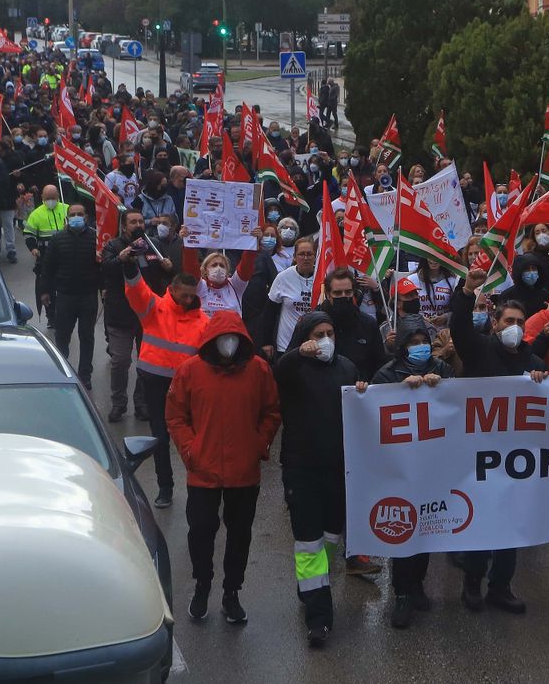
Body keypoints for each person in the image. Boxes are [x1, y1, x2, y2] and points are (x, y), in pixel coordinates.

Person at [165, 310, 281, 626]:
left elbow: (271, 412)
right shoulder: (189, 372)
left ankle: (232, 592)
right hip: (203, 472)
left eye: (233, 339)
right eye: (222, 339)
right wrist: (191, 450)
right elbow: (176, 416)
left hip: (244, 472)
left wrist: (259, 445)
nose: (228, 345)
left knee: (239, 534)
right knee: (201, 531)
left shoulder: (258, 370)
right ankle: (203, 584)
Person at [450, 268, 547, 611]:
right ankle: (472, 582)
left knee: (510, 526)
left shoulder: (532, 361)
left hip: (516, 457)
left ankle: (501, 586)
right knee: (482, 521)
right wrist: (465, 293)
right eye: (508, 320)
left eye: (520, 321)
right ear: (495, 324)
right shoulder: (480, 351)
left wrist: (540, 378)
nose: (515, 327)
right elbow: (458, 329)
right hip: (480, 454)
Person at [272, 311, 369, 647]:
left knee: (331, 536)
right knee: (309, 543)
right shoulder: (294, 367)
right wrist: (298, 353)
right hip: (302, 469)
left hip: (338, 469)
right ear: (305, 337)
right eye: (318, 333)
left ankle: (311, 584)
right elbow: (279, 371)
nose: (325, 339)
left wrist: (362, 391)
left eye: (330, 332)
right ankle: (319, 619)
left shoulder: (346, 367)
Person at [371, 318, 453, 629]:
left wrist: (441, 387)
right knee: (404, 527)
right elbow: (371, 408)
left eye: (423, 339)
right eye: (412, 340)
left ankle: (418, 584)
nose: (419, 345)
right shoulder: (387, 374)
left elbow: (459, 403)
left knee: (427, 526)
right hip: (400, 465)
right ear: (402, 345)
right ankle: (402, 592)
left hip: (433, 463)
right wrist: (396, 392)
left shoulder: (442, 369)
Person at [124, 264, 209, 509]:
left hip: (186, 387)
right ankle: (165, 487)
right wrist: (130, 269)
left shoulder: (202, 321)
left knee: (195, 438)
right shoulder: (155, 308)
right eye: (184, 295)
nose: (188, 299)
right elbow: (137, 290)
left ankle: (202, 485)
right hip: (155, 383)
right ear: (171, 290)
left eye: (192, 295)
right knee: (160, 437)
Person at [41, 204, 102, 390]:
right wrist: (45, 291)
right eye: (73, 214)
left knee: (87, 337)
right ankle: (62, 371)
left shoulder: (96, 239)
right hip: (65, 296)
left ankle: (85, 375)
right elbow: (48, 268)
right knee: (62, 336)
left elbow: (102, 268)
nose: (76, 217)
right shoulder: (58, 239)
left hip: (88, 296)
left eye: (80, 214)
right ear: (67, 218)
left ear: (86, 217)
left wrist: (104, 288)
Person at [100, 210, 152, 422]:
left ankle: (142, 403)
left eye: (140, 221)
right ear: (124, 226)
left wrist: (165, 264)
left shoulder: (152, 244)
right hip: (120, 313)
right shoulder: (113, 246)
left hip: (146, 315)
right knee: (120, 361)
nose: (138, 224)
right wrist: (120, 259)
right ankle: (119, 403)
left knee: (147, 362)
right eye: (133, 222)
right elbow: (105, 269)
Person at [324, 268, 386, 380]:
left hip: (359, 391)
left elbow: (379, 363)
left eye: (348, 292)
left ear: (354, 293)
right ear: (328, 295)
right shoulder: (315, 323)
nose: (343, 296)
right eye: (337, 293)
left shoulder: (368, 324)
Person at [264, 237, 319, 358]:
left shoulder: (322, 277)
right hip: (286, 344)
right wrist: (266, 342)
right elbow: (269, 312)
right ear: (294, 256)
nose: (306, 258)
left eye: (309, 254)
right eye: (301, 254)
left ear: (315, 256)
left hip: (315, 344)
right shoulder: (283, 277)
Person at [23, 184, 69, 327]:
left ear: (58, 197)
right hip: (46, 258)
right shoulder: (36, 214)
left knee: (65, 288)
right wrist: (33, 249)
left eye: (53, 198)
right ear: (42, 197)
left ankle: (65, 314)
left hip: (66, 257)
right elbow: (28, 234)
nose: (51, 201)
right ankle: (51, 316)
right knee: (47, 288)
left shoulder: (67, 209)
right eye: (48, 198)